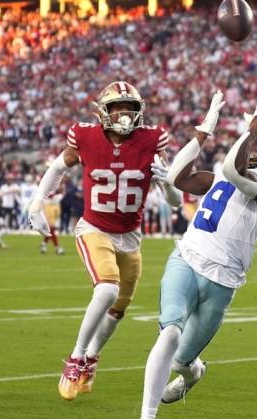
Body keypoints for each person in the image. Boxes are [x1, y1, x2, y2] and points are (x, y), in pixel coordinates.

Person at [128, 92, 257, 419]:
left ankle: (192, 372)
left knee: (182, 361)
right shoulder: (250, 172)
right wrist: (203, 132)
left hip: (222, 281)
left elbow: (232, 171)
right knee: (169, 332)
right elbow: (179, 178)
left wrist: (252, 130)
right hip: (187, 258)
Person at [27, 81, 193, 401]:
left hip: (130, 237)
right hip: (94, 227)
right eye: (117, 108)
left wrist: (169, 186)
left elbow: (173, 202)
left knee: (118, 309)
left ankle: (91, 359)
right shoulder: (86, 137)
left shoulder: (151, 140)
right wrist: (37, 202)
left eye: (129, 108)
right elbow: (58, 167)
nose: (123, 115)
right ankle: (75, 358)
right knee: (107, 288)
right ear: (103, 111)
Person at [38, 160, 65, 255]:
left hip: (56, 203)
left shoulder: (58, 176)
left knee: (52, 227)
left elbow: (61, 189)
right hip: (47, 203)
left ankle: (44, 244)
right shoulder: (43, 178)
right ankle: (57, 247)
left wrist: (59, 192)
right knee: (51, 227)